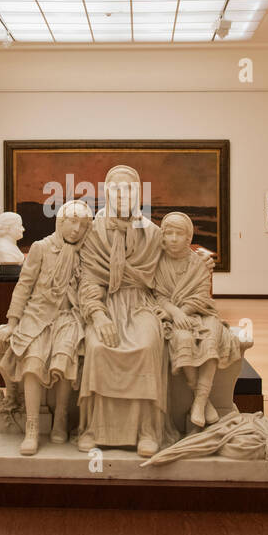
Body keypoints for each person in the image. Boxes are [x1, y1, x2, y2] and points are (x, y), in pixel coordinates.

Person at [76, 165, 167, 457]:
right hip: (106, 303)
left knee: (145, 345)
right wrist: (98, 315)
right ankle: (95, 429)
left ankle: (146, 430)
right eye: (115, 188)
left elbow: (167, 270)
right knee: (98, 346)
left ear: (138, 192)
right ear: (106, 193)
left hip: (141, 303)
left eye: (128, 188)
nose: (122, 194)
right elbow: (90, 279)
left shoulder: (152, 233)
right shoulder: (93, 232)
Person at [0, 200, 92, 454]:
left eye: (82, 225)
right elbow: (24, 286)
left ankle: (60, 420)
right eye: (72, 222)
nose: (76, 229)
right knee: (32, 362)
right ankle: (32, 427)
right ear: (61, 222)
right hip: (37, 315)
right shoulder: (41, 247)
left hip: (70, 316)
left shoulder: (87, 252)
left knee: (65, 357)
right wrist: (13, 323)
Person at [153, 212, 242, 429]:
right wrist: (176, 313)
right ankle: (201, 397)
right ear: (162, 236)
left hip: (201, 313)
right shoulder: (157, 263)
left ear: (188, 237)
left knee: (210, 338)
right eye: (169, 233)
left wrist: (185, 311)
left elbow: (202, 295)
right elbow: (158, 295)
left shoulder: (198, 262)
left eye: (179, 234)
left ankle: (200, 402)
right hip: (174, 316)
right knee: (182, 339)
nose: (173, 238)